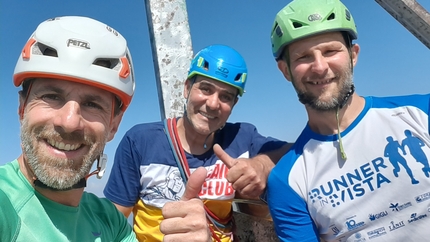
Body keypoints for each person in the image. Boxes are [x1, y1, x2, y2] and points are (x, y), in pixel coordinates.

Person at [265, 0, 430, 241]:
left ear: (353, 55)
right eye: (303, 57)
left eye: (331, 51)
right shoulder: (286, 181)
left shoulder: (421, 113)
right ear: (286, 71)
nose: (320, 67)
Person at [104, 44, 291, 241]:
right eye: (205, 89)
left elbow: (301, 149)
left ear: (233, 105)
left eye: (226, 96)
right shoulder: (142, 141)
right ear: (187, 89)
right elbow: (111, 222)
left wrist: (261, 164)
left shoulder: (241, 138)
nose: (212, 103)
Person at [0, 16, 138, 241]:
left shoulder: (109, 220)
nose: (69, 122)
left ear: (114, 125)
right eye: (51, 96)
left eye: (92, 104)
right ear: (22, 108)